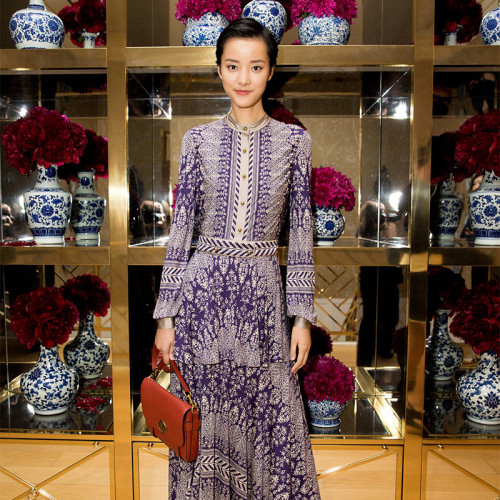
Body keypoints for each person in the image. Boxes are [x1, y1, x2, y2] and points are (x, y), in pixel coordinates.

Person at [153, 18, 320, 500]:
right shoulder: (197, 140)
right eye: (232, 66)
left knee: (271, 417)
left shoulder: (295, 142)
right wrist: (166, 318)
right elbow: (180, 234)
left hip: (262, 301)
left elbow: (302, 233)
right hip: (203, 301)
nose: (243, 78)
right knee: (202, 418)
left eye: (255, 66)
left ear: (271, 71)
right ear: (218, 70)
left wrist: (301, 318)